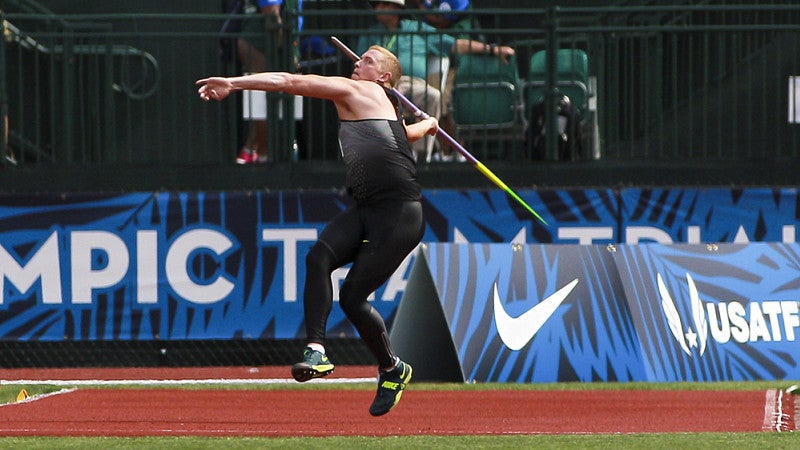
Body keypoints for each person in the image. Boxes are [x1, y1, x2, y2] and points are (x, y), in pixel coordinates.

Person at [197, 45, 437, 416]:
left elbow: (289, 81)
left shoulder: (361, 91)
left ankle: (392, 368)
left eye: (368, 61)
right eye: (360, 59)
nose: (358, 63)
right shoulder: (381, 105)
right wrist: (429, 124)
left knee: (353, 297)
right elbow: (403, 138)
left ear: (384, 77)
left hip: (399, 214)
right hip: (368, 208)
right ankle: (317, 351)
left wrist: (233, 82)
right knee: (319, 256)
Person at [357, 0, 514, 162]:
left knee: (433, 95)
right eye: (377, 5)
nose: (378, 9)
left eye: (384, 5)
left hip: (413, 84)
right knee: (379, 97)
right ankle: (377, 155)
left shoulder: (417, 29)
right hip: (380, 85)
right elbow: (359, 64)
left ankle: (420, 155)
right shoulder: (370, 34)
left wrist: (493, 50)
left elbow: (455, 45)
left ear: (397, 9)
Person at [232, 0, 303, 164]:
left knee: (276, 100)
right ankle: (254, 150)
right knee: (265, 99)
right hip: (261, 48)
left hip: (274, 47)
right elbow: (271, 13)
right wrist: (287, 51)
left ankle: (259, 151)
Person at [408, 0, 473, 162]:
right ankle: (438, 151)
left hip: (451, 54)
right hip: (428, 55)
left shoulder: (458, 3)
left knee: (441, 104)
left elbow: (444, 20)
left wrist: (423, 9)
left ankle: (451, 151)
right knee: (430, 105)